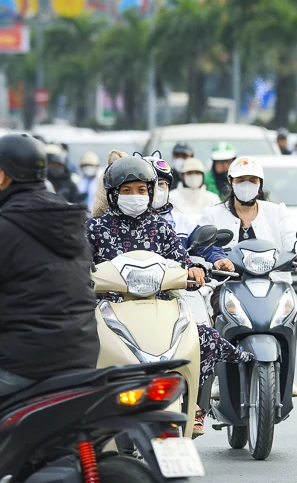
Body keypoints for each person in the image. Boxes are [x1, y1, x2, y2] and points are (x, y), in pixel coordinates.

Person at [86, 156, 251, 435]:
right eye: (126, 191)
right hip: (110, 309)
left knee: (203, 338)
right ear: (113, 195)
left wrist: (195, 270)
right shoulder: (95, 229)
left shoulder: (161, 228)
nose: (135, 196)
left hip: (160, 308)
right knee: (80, 347)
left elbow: (182, 260)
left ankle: (194, 403)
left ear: (151, 193)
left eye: (141, 190)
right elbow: (80, 265)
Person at [0, 133, 99, 396]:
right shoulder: (67, 221)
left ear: (2, 176)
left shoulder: (6, 227)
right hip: (81, 359)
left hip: (24, 366)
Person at [147, 155, 232, 269]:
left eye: (161, 184)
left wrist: (218, 259)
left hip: (175, 284)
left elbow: (207, 246)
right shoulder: (119, 223)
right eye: (149, 185)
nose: (156, 189)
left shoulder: (181, 222)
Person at [200, 157, 294, 255]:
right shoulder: (212, 215)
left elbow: (290, 238)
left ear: (260, 183)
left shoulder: (277, 212)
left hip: (273, 270)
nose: (246, 186)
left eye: (253, 181)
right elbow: (203, 248)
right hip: (226, 271)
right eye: (240, 180)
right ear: (230, 181)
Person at [173, 158, 222, 222]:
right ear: (182, 176)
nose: (193, 176)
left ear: (203, 175)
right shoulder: (171, 198)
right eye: (189, 173)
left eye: (197, 173)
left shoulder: (213, 199)